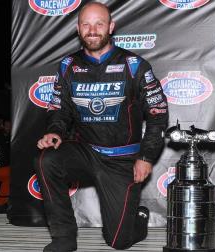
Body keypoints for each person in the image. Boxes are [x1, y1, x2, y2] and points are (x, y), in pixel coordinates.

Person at [35, 2, 168, 251]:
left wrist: (147, 156)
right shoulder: (68, 66)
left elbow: (158, 115)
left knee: (118, 242)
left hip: (122, 160)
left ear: (111, 27)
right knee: (47, 160)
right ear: (78, 29)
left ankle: (138, 218)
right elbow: (59, 110)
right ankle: (63, 238)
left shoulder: (135, 66)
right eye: (86, 24)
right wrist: (54, 131)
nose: (92, 30)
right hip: (86, 151)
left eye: (99, 24)